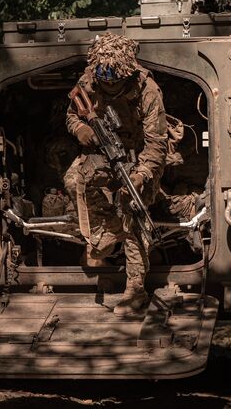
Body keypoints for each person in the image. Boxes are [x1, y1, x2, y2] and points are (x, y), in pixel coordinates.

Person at [64, 32, 168, 317]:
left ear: (127, 73)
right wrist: (81, 129)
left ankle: (135, 288)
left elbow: (157, 145)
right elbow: (72, 114)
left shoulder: (148, 91)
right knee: (74, 180)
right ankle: (105, 237)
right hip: (102, 152)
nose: (109, 86)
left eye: (115, 82)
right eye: (105, 82)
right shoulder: (89, 81)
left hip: (140, 157)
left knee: (132, 205)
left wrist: (141, 175)